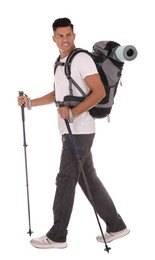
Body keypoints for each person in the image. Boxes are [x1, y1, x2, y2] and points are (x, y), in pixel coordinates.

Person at [18, 17, 129, 249]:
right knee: (89, 179)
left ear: (74, 36)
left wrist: (74, 112)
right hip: (71, 131)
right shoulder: (60, 62)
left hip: (80, 130)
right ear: (53, 38)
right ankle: (116, 226)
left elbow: (98, 93)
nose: (65, 39)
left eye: (68, 35)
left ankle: (57, 235)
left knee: (65, 179)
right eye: (60, 35)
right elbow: (56, 93)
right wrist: (30, 103)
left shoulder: (82, 60)